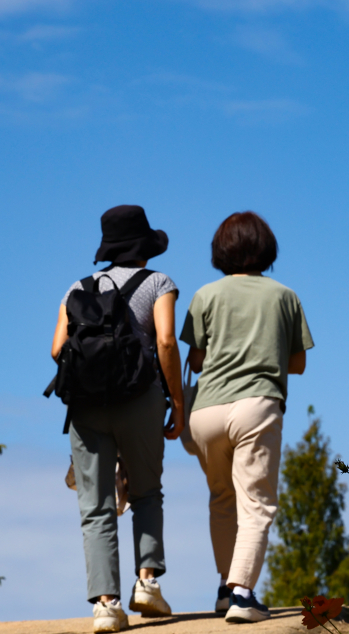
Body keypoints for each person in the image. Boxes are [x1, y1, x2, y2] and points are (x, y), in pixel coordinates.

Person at [52, 205, 183, 632]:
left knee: (96, 507)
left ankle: (106, 605)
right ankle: (147, 583)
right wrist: (177, 403)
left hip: (86, 407)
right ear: (145, 246)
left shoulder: (78, 288)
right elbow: (166, 342)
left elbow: (57, 350)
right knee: (146, 492)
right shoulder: (159, 283)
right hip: (140, 400)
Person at [181, 211, 314, 623]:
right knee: (256, 502)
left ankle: (226, 588)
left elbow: (196, 361)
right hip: (256, 406)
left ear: (220, 250)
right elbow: (298, 364)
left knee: (222, 499)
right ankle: (242, 594)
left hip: (206, 411)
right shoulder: (284, 296)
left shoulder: (205, 295)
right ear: (266, 248)